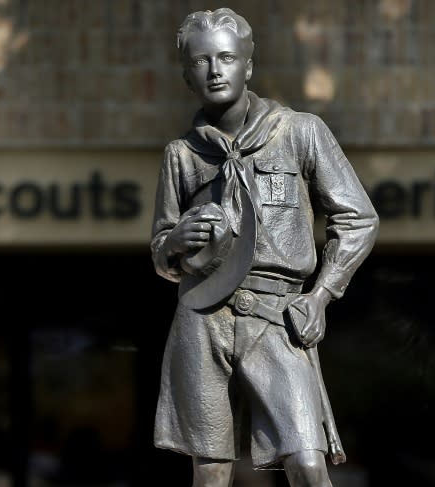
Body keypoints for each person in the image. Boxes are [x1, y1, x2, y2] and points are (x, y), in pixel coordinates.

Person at [150, 8, 379, 487]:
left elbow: (357, 218)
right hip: (202, 316)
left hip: (276, 312)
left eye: (227, 57)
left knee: (307, 463)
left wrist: (321, 296)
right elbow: (162, 251)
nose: (215, 69)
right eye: (201, 61)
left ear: (247, 66)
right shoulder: (182, 155)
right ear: (187, 75)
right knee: (209, 470)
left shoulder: (299, 132)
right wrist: (173, 243)